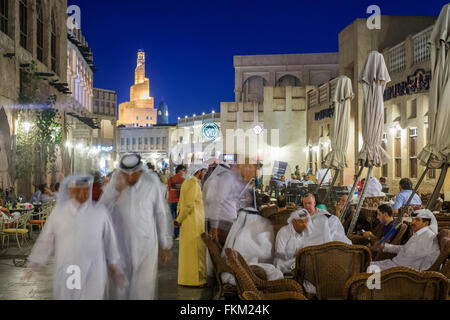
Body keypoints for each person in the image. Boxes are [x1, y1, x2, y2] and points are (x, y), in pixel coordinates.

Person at [24, 175, 123, 300]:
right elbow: (46, 239)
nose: (82, 194)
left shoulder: (100, 212)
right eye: (78, 190)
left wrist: (113, 264)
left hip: (94, 268)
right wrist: (37, 261)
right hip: (70, 268)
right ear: (70, 192)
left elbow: (109, 239)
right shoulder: (59, 213)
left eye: (86, 190)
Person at [99, 153, 173, 300]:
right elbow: (101, 211)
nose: (129, 178)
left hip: (146, 245)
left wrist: (164, 244)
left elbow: (161, 213)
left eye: (133, 175)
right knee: (120, 290)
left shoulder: (151, 184)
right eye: (126, 175)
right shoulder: (116, 182)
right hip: (119, 245)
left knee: (143, 290)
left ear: (140, 171)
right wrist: (115, 192)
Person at [221, 182, 283, 286]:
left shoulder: (238, 229)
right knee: (277, 273)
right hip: (247, 271)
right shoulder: (255, 226)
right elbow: (266, 253)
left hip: (234, 270)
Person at [369, 209, 440, 271]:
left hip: (402, 272)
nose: (413, 222)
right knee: (364, 264)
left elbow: (416, 264)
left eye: (417, 220)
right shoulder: (419, 234)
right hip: (394, 265)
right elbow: (405, 249)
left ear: (426, 223)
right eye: (413, 219)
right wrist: (384, 246)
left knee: (365, 268)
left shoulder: (428, 237)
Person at [174, 164, 208, 287]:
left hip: (187, 222)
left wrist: (179, 218)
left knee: (187, 252)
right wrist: (179, 219)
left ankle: (186, 279)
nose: (205, 174)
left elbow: (181, 202)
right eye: (204, 171)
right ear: (198, 171)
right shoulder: (194, 184)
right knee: (196, 251)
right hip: (193, 222)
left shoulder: (187, 183)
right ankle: (197, 280)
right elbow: (189, 205)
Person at [203, 163, 245, 246]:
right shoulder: (224, 179)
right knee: (222, 248)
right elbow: (216, 201)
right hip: (222, 222)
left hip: (223, 220)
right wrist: (214, 226)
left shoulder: (214, 180)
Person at [167, 165, 186, 240]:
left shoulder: (170, 179)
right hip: (178, 201)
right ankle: (177, 234)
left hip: (171, 201)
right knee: (178, 218)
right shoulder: (183, 180)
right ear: (179, 170)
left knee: (172, 219)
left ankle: (172, 234)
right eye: (183, 170)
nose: (184, 172)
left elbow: (168, 189)